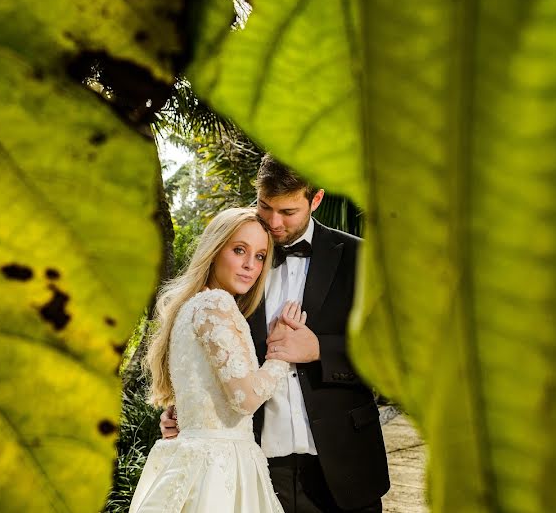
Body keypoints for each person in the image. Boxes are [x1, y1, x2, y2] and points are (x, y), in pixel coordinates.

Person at [161, 155, 390, 512]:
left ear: (315, 200)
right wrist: (192, 411)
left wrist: (320, 349)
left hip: (344, 463)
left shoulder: (360, 258)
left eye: (287, 211)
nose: (273, 222)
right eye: (265, 206)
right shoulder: (239, 260)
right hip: (256, 467)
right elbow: (216, 349)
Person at [130, 207, 307, 512]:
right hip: (221, 466)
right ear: (214, 250)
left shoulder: (190, 306)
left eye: (260, 256)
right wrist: (282, 353)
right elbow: (245, 398)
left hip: (192, 458)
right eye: (240, 250)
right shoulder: (216, 304)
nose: (250, 265)